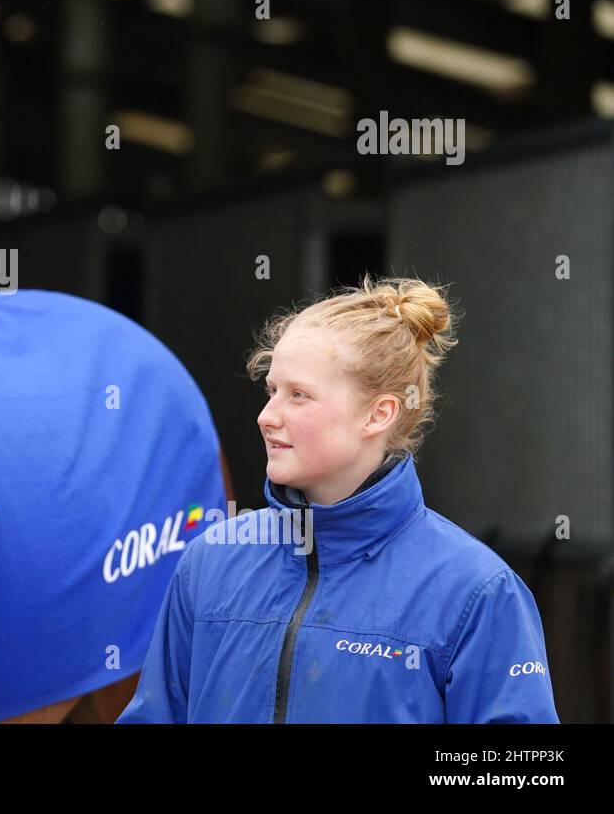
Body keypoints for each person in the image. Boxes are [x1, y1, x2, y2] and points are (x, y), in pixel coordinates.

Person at [117, 275, 559, 723]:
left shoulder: (476, 590)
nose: (266, 417)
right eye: (272, 391)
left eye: (299, 396)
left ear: (378, 413)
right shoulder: (209, 563)